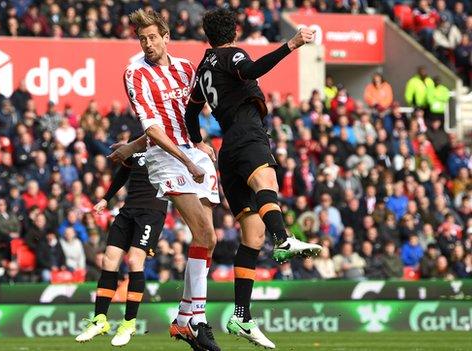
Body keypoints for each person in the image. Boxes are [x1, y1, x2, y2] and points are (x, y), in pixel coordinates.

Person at [182, 8, 321, 348]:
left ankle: (241, 316)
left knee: (252, 236)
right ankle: (285, 239)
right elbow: (253, 69)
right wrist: (291, 44)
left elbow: (189, 113)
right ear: (234, 31)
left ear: (207, 36)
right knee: (266, 186)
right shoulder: (233, 55)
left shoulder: (203, 69)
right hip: (247, 136)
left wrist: (199, 141)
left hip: (228, 150)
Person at [109, 10, 220, 351]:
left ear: (166, 36)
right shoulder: (135, 74)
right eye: (142, 39)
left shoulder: (187, 68)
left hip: (193, 153)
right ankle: (196, 320)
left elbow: (192, 112)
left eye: (153, 37)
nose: (148, 44)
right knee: (204, 233)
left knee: (208, 241)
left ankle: (184, 321)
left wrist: (199, 144)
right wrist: (187, 159)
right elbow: (154, 130)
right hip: (166, 160)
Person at [76, 134, 169, 347]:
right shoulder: (138, 145)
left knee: (135, 262)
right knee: (108, 261)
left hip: (151, 212)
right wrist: (105, 199)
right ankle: (100, 320)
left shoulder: (168, 145)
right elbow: (122, 173)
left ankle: (129, 323)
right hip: (128, 210)